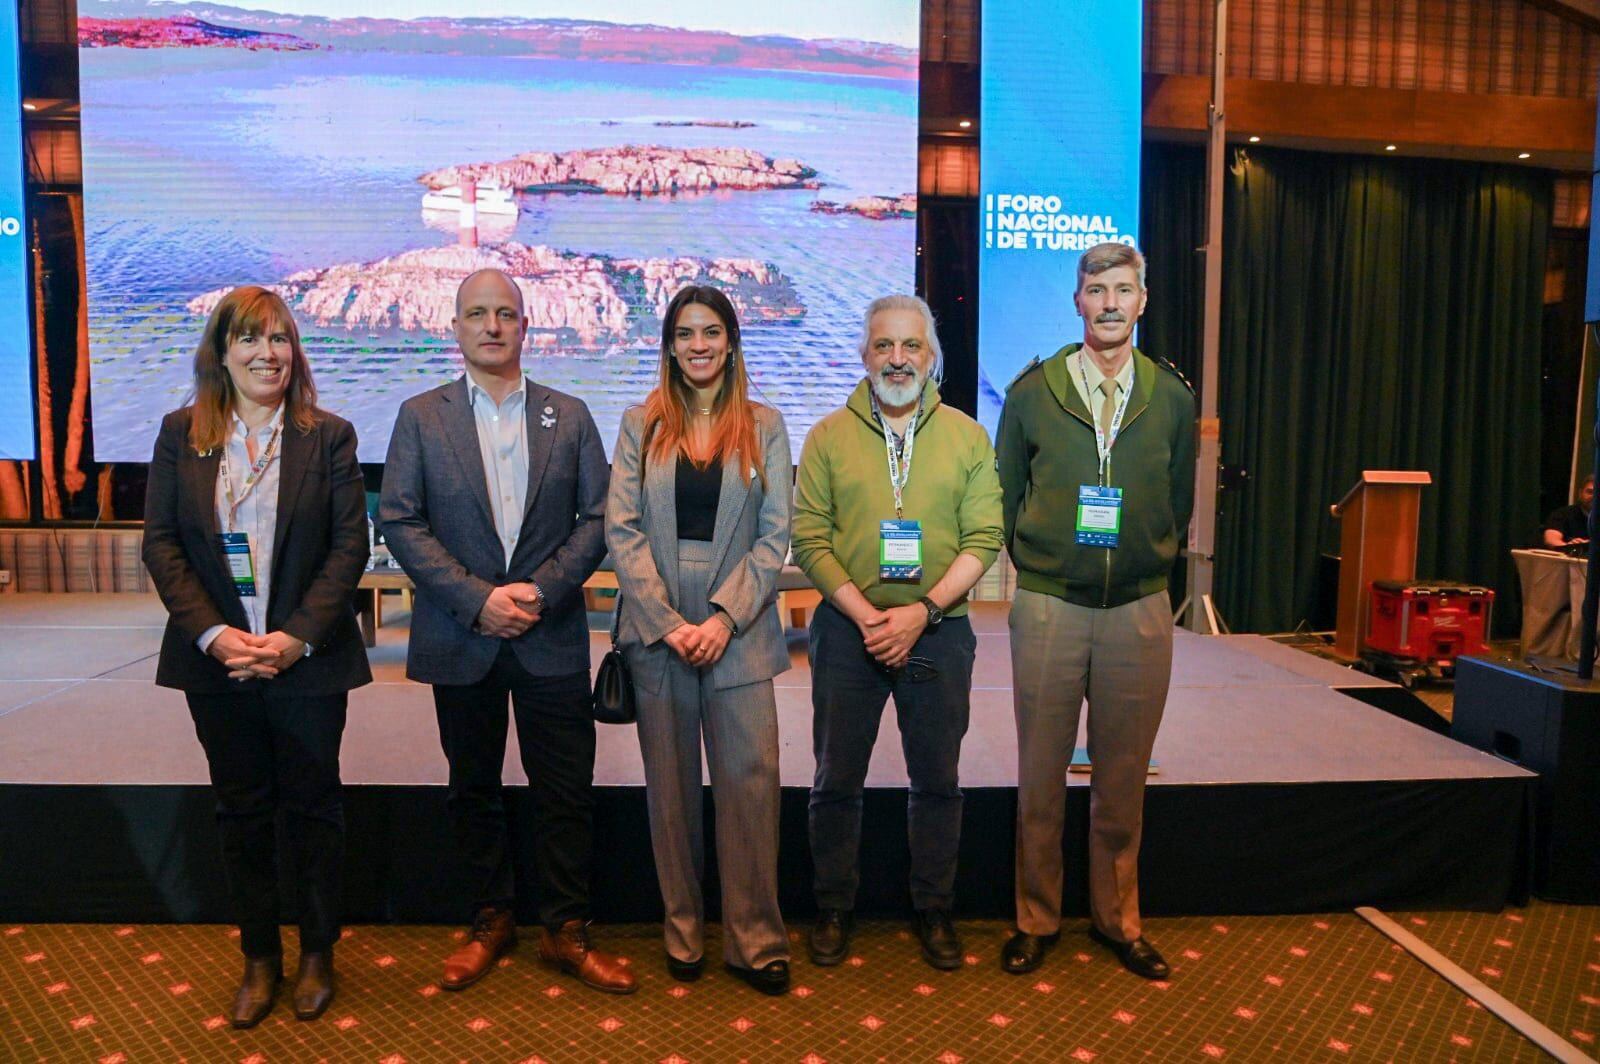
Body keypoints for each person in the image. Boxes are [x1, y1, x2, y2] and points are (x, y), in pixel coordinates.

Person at [378, 268, 634, 995]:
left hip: (549, 636)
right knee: (473, 788)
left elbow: (598, 521)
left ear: (527, 326)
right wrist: (477, 600)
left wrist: (544, 591)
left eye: (505, 314)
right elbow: (400, 518)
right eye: (476, 314)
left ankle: (566, 929)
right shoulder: (419, 417)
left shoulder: (571, 415)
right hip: (463, 636)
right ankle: (490, 918)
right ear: (454, 328)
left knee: (565, 790)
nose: (492, 326)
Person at [142, 286, 371, 1028]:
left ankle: (315, 954)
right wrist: (216, 635)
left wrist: (296, 636)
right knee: (241, 812)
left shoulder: (328, 436)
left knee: (313, 809)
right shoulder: (182, 434)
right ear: (223, 351)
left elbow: (349, 547)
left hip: (309, 660)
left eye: (279, 339)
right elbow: (163, 545)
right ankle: (259, 958)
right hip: (218, 662)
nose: (267, 353)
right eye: (250, 339)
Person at [995, 242, 1196, 980]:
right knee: (1040, 775)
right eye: (1096, 291)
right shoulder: (1030, 393)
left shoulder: (1172, 397)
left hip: (1140, 610)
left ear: (1143, 301)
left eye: (1124, 290)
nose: (1110, 303)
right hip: (1049, 605)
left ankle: (1118, 920)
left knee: (1123, 778)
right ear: (1076, 303)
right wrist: (1045, 565)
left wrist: (1145, 562)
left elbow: (1176, 499)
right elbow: (1009, 495)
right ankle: (1036, 918)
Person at [792, 294, 1003, 971]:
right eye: (884, 345)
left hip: (940, 634)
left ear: (931, 356)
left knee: (937, 779)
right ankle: (832, 906)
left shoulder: (969, 437)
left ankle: (934, 907)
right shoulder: (826, 436)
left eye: (911, 346)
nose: (898, 358)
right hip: (847, 634)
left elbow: (985, 537)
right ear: (864, 354)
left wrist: (922, 613)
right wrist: (869, 617)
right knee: (835, 779)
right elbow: (810, 539)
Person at [605, 285, 794, 995]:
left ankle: (756, 941)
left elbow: (776, 537)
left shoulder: (767, 426)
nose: (698, 346)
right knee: (672, 793)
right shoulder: (639, 423)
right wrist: (666, 622)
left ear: (731, 340)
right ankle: (682, 932)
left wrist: (721, 619)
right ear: (669, 346)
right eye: (684, 334)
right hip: (659, 634)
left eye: (710, 332)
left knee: (751, 789)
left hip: (737, 630)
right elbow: (620, 530)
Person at [1543, 474, 1594, 547]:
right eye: (1590, 492)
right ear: (1580, 493)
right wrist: (1570, 547)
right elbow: (1551, 540)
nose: (1594, 496)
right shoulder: (1563, 514)